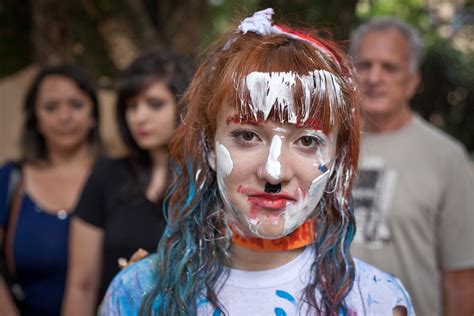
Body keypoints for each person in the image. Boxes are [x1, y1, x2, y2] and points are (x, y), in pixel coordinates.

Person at [99, 9, 414, 316]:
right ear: (209, 145)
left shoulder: (376, 302)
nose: (273, 172)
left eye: (307, 141)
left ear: (337, 158)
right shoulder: (136, 293)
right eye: (247, 136)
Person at [349, 17, 474, 315]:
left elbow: (460, 276)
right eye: (364, 65)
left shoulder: (446, 157)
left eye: (389, 67)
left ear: (413, 81)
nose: (374, 77)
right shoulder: (320, 146)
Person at [61, 50, 193, 315]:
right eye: (131, 106)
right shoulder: (107, 175)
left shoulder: (206, 180)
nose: (139, 117)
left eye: (154, 104)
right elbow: (81, 284)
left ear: (185, 105)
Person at [0, 64, 101, 316]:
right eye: (51, 107)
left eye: (76, 105)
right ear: (35, 119)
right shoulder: (11, 179)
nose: (64, 116)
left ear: (93, 116)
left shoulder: (116, 178)